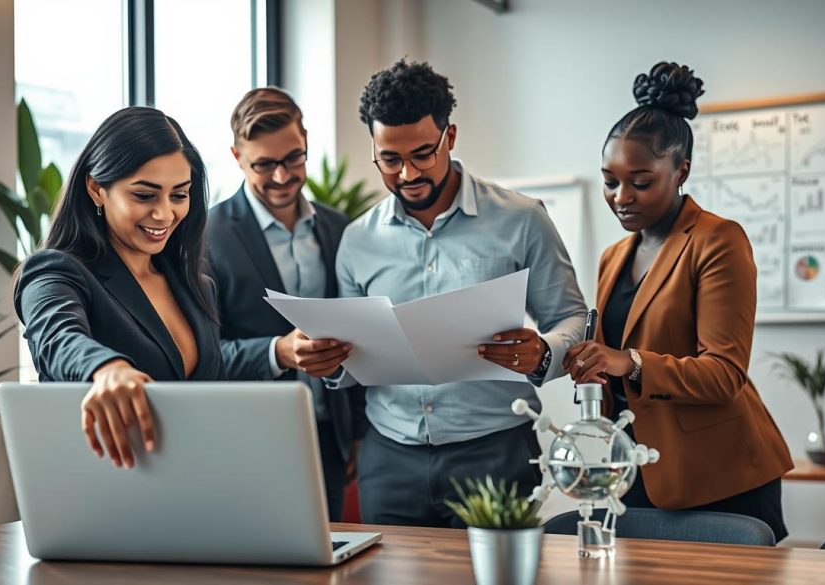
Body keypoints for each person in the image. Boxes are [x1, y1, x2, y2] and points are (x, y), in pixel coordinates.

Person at [322, 59, 588, 527]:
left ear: (451, 136)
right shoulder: (357, 240)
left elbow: (572, 315)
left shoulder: (522, 219)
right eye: (390, 159)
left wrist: (544, 351)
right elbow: (351, 356)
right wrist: (330, 358)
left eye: (423, 154)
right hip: (389, 457)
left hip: (495, 452)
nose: (407, 174)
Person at [563, 62, 793, 541]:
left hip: (719, 477)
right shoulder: (613, 257)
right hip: (635, 473)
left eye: (641, 181)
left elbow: (724, 375)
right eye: (610, 180)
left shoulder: (718, 241)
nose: (621, 197)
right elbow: (618, 365)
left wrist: (629, 362)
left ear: (681, 170)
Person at [14, 107, 224, 470]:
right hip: (99, 495)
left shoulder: (196, 285)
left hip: (194, 489)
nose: (164, 214)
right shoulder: (57, 271)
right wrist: (107, 368)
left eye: (179, 195)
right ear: (97, 189)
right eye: (145, 195)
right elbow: (58, 338)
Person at [206, 87, 368, 521]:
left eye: (293, 158)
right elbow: (199, 355)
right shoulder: (206, 236)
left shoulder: (338, 228)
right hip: (248, 440)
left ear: (306, 141)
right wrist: (277, 352)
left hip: (330, 437)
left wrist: (355, 431)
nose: (281, 177)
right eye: (263, 164)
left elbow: (360, 331)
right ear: (237, 157)